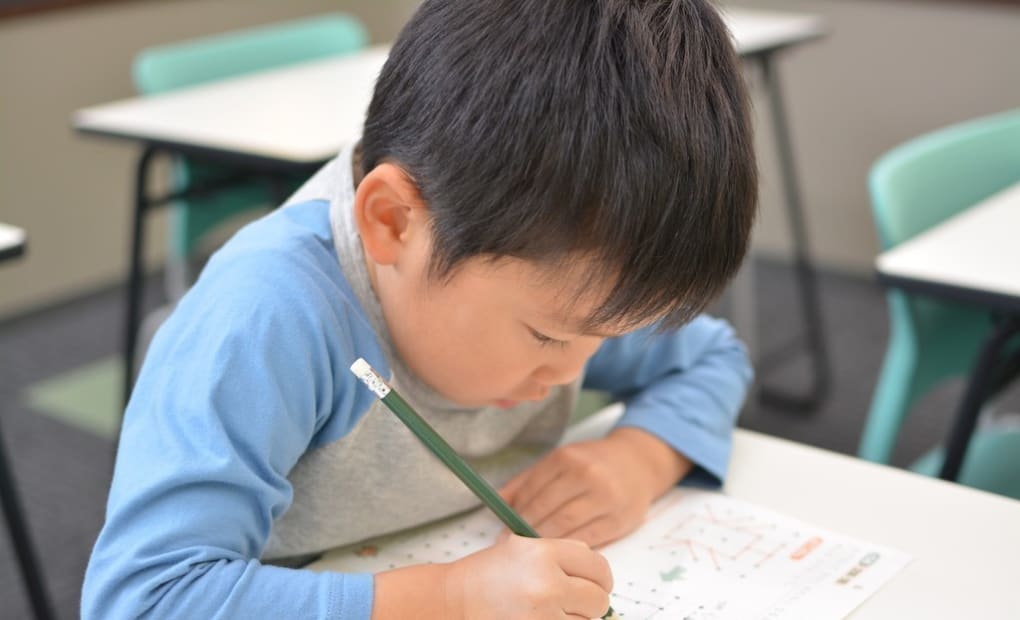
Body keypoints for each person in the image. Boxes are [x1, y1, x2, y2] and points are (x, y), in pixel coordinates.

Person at [82, 1, 757, 618]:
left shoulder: (562, 280)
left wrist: (638, 461)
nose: (577, 369)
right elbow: (144, 599)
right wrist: (452, 599)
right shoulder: (270, 316)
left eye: (606, 338)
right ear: (395, 222)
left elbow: (712, 355)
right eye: (548, 337)